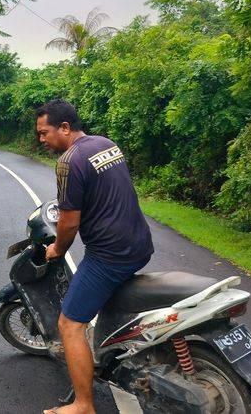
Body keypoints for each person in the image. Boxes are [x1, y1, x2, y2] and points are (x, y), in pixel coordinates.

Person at [35, 99, 154, 414]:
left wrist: (57, 249)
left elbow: (69, 221)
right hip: (140, 242)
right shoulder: (106, 144)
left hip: (110, 254)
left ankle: (83, 405)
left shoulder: (69, 161)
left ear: (64, 127)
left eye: (45, 132)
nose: (42, 140)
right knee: (106, 304)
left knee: (70, 323)